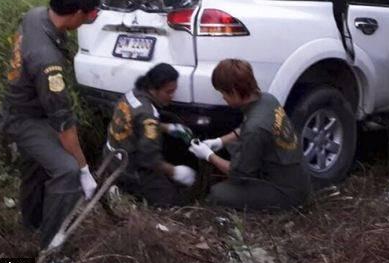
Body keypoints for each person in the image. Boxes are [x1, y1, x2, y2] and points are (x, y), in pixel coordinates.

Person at [0, 0, 101, 249]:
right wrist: (83, 169)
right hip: (25, 119)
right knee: (66, 170)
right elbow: (63, 124)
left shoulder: (36, 16)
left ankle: (32, 222)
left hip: (21, 106)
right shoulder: (48, 63)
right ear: (77, 12)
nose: (91, 19)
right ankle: (51, 246)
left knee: (37, 166)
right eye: (91, 14)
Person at [188, 59, 311, 210]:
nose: (223, 98)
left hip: (285, 191)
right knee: (233, 147)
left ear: (233, 91)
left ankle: (280, 206)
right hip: (296, 175)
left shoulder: (255, 128)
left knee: (217, 193)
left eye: (223, 93)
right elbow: (249, 127)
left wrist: (208, 155)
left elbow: (237, 174)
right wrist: (220, 141)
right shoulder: (267, 99)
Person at [104, 63, 196, 207]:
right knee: (173, 201)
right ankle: (124, 191)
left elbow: (135, 123)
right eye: (169, 92)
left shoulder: (133, 94)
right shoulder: (149, 115)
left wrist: (167, 128)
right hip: (128, 168)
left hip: (110, 156)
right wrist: (176, 172)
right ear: (154, 89)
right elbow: (149, 159)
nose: (172, 96)